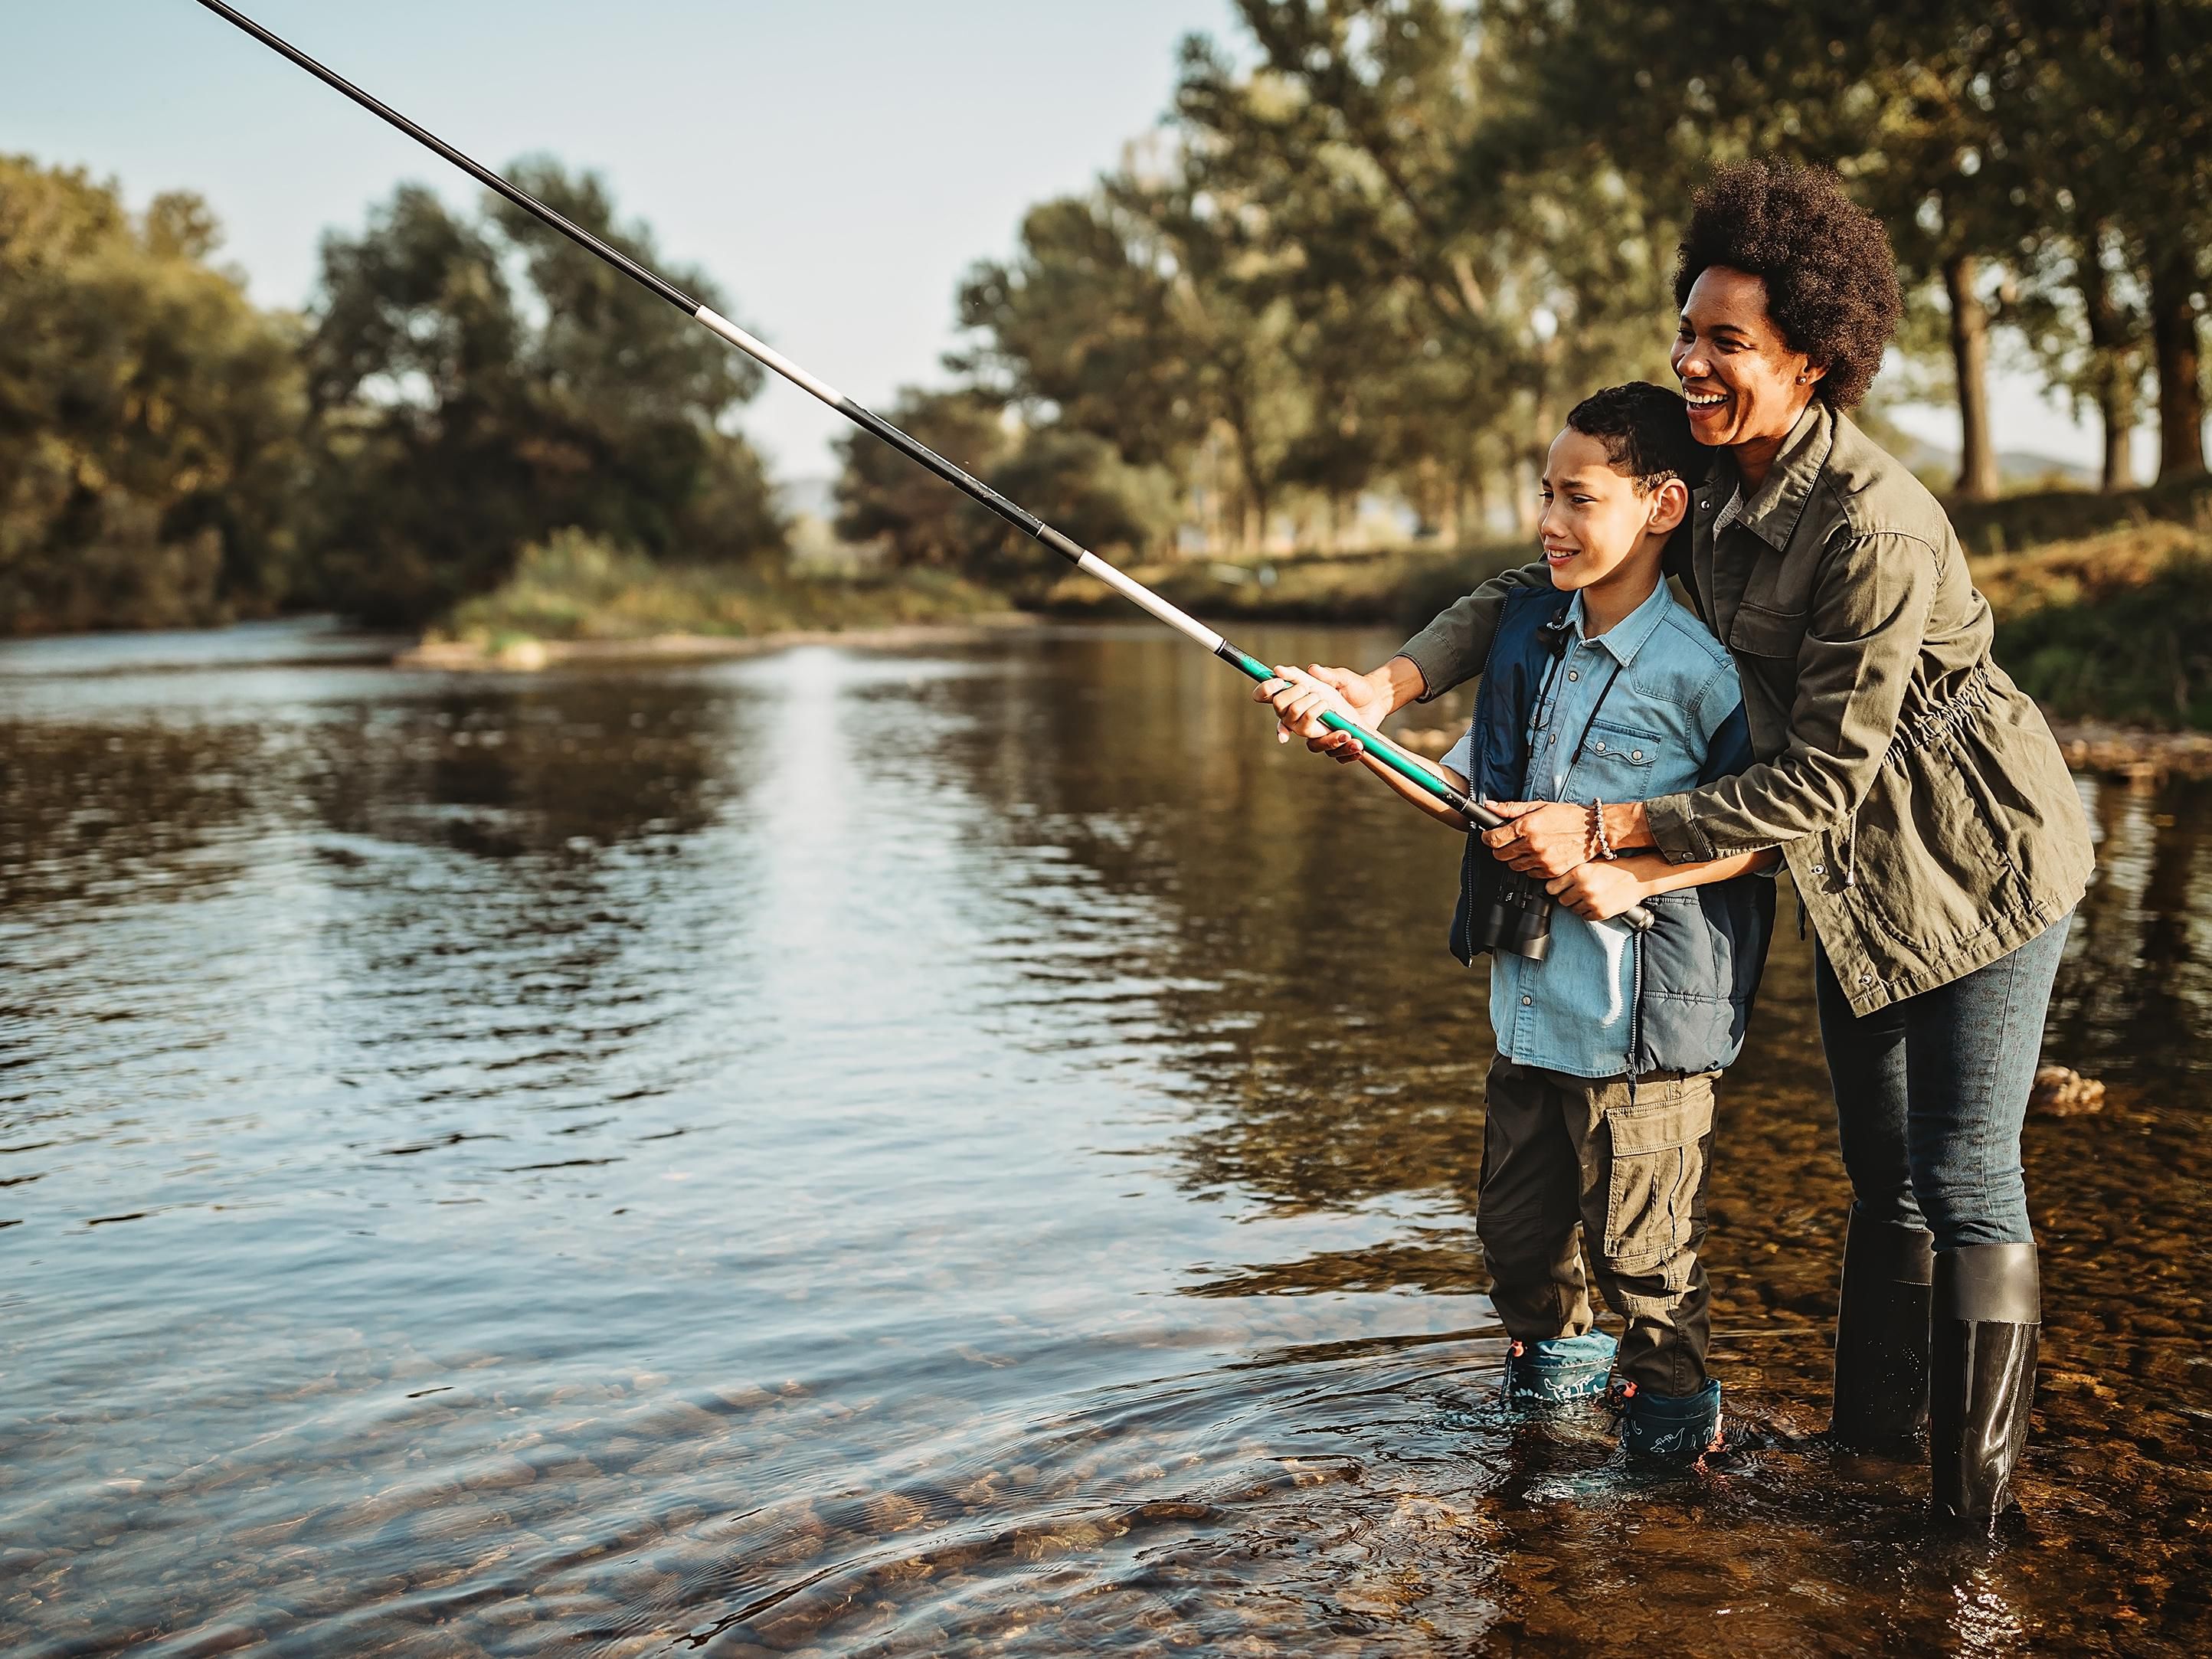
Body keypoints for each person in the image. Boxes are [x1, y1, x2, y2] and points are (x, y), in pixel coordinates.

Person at [1267, 162, 2094, 1526]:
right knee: (1879, 1174)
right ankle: (1867, 1460)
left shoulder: (1874, 524)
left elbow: (1827, 769)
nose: (1691, 362)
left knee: (1961, 1173)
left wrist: (1611, 830)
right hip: (1839, 869)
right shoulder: (1694, 475)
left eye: (1729, 342)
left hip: (1980, 857)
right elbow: (1526, 588)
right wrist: (1384, 692)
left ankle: (1972, 1521)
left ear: (1815, 362)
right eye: (1689, 330)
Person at [1264, 382, 1776, 1461]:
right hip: (1530, 1022)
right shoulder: (1527, 640)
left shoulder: (1704, 673)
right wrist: (1361, 740)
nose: (1549, 521)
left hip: (1641, 1041)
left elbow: (1770, 835)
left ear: (1662, 505)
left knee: (1647, 1265)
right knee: (1518, 1249)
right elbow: (1466, 801)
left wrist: (1633, 873)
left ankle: (1679, 1465)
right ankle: (1552, 1444)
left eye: (1578, 498)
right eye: (1544, 494)